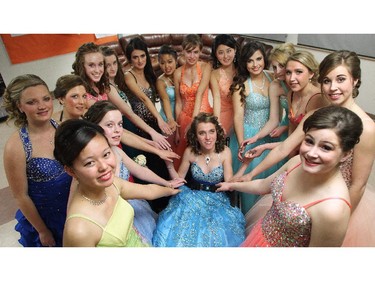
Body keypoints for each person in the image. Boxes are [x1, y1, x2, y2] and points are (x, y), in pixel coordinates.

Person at [239, 50, 375, 245]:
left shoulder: (367, 127)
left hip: (332, 205)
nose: (332, 87)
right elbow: (284, 148)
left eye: (341, 79)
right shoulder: (317, 114)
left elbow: (357, 185)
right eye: (327, 81)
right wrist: (251, 175)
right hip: (303, 192)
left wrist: (340, 223)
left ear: (355, 81)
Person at [217, 106, 363, 247]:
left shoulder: (333, 209)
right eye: (309, 141)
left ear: (346, 154)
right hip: (258, 238)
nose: (311, 153)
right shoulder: (297, 162)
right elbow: (263, 185)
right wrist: (231, 185)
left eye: (326, 147)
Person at [53, 119, 180, 247]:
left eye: (106, 154)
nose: (104, 166)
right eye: (90, 163)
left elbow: (148, 191)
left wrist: (171, 189)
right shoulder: (79, 229)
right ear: (70, 171)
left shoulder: (112, 184)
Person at [83, 100, 185, 244]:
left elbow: (139, 171)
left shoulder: (117, 151)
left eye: (120, 124)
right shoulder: (94, 164)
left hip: (134, 206)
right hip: (113, 216)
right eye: (109, 125)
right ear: (95, 127)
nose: (118, 130)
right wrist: (167, 189)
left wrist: (167, 182)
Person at [152, 113, 245, 247]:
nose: (208, 138)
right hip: (191, 197)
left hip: (217, 200)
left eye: (211, 132)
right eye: (202, 133)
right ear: (195, 136)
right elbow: (179, 180)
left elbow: (229, 182)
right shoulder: (190, 151)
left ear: (217, 132)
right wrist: (169, 165)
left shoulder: (225, 152)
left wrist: (245, 166)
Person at [3, 74, 72, 247]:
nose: (42, 106)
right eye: (31, 102)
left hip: (76, 205)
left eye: (46, 99)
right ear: (19, 106)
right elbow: (21, 196)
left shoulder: (62, 128)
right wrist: (42, 230)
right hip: (49, 218)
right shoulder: (16, 146)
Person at [72, 42, 171, 151]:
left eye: (100, 64)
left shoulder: (104, 87)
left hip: (117, 138)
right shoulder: (83, 95)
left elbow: (129, 114)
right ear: (82, 66)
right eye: (91, 65)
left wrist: (151, 136)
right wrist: (150, 143)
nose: (97, 70)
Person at [228, 40, 275, 214]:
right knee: (249, 179)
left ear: (264, 59)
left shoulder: (273, 78)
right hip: (248, 135)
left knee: (270, 181)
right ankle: (248, 217)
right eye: (250, 61)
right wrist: (242, 143)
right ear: (244, 63)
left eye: (259, 59)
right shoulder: (241, 85)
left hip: (270, 134)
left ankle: (264, 218)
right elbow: (238, 117)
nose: (255, 65)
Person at [174, 34, 213, 169]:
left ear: (200, 52)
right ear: (183, 51)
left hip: (204, 116)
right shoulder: (178, 73)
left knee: (204, 156)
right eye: (189, 51)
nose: (192, 56)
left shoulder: (205, 67)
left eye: (195, 52)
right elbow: (179, 103)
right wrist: (177, 130)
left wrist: (193, 123)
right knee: (185, 159)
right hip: (185, 118)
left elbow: (199, 94)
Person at [209, 34, 240, 137]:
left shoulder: (242, 70)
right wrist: (217, 122)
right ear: (216, 55)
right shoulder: (214, 74)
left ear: (235, 50)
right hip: (224, 115)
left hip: (243, 114)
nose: (226, 56)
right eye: (221, 53)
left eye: (228, 51)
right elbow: (216, 98)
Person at [156, 44, 179, 153]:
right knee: (170, 148)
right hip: (167, 116)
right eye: (162, 63)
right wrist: (170, 120)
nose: (166, 66)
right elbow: (165, 99)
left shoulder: (181, 75)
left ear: (176, 61)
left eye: (170, 61)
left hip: (181, 114)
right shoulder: (160, 81)